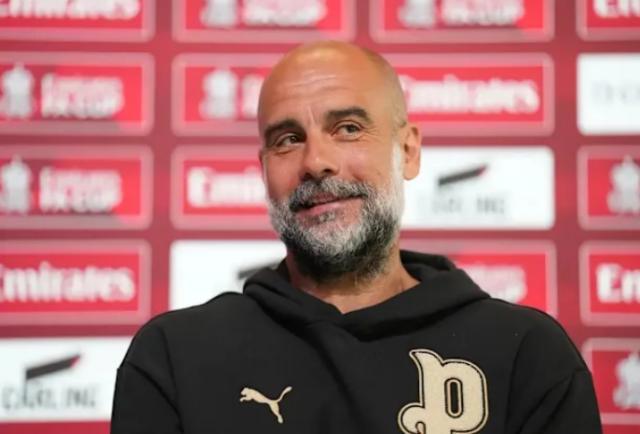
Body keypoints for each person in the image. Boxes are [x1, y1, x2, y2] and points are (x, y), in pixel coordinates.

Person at [111, 41, 602, 434]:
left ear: (408, 152)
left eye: (347, 128)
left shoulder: (527, 355)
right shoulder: (175, 356)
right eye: (288, 139)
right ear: (263, 169)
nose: (316, 162)